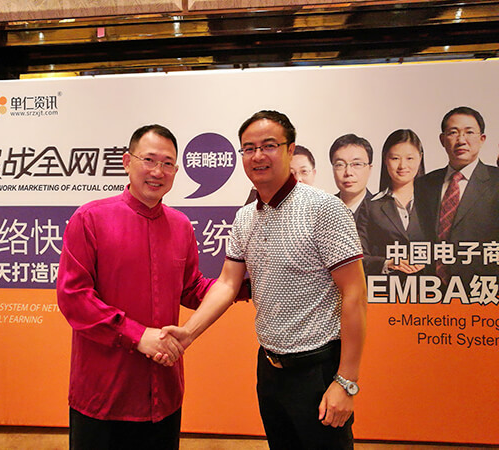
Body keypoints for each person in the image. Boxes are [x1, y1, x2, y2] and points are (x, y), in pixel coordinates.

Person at [160, 111, 367, 449]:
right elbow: (227, 284)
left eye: (269, 145)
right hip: (270, 369)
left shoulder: (324, 209)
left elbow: (355, 295)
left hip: (318, 370)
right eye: (249, 148)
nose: (258, 156)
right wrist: (188, 333)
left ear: (290, 149)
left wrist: (346, 382)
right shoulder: (245, 217)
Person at [56, 124, 236, 449]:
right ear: (127, 161)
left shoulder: (181, 226)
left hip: (163, 394)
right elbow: (74, 298)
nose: (157, 172)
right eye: (149, 160)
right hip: (103, 395)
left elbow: (191, 288)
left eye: (167, 164)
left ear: (176, 171)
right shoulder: (90, 218)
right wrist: (138, 335)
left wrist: (239, 285)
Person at [415, 106, 499, 287]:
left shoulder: (496, 181)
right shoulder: (424, 184)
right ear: (442, 139)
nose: (461, 140)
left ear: (482, 139)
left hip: (483, 290)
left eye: (469, 132)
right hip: (432, 290)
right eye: (453, 133)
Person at [357, 129, 426, 276]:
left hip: (431, 287)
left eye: (410, 158)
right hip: (386, 286)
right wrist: (387, 263)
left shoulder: (435, 202)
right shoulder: (370, 206)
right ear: (385, 159)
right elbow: (358, 257)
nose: (402, 166)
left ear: (420, 158)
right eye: (395, 158)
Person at [245, 143, 316, 204]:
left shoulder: (321, 206)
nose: (298, 179)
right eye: (291, 173)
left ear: (313, 173)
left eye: (304, 171)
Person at [329, 134, 374, 220]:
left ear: (369, 169)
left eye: (357, 164)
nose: (348, 172)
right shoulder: (322, 210)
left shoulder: (382, 214)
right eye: (340, 164)